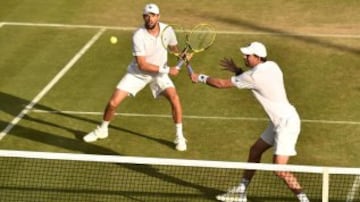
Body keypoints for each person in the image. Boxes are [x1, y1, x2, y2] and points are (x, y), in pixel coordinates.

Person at [190, 41, 310, 201]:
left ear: (258, 57)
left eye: (248, 55)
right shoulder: (273, 66)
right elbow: (254, 80)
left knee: (279, 169)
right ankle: (241, 191)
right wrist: (238, 70)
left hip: (286, 124)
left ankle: (304, 199)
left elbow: (221, 83)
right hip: (280, 120)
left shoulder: (252, 76)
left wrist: (200, 77)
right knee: (255, 150)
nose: (244, 57)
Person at [83, 3, 187, 151]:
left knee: (174, 98)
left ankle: (179, 136)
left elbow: (173, 49)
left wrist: (181, 55)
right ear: (143, 17)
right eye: (147, 16)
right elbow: (142, 65)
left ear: (158, 16)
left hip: (159, 75)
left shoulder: (168, 30)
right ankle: (103, 129)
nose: (150, 18)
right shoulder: (138, 35)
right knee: (113, 103)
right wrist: (168, 69)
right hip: (138, 74)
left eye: (153, 15)